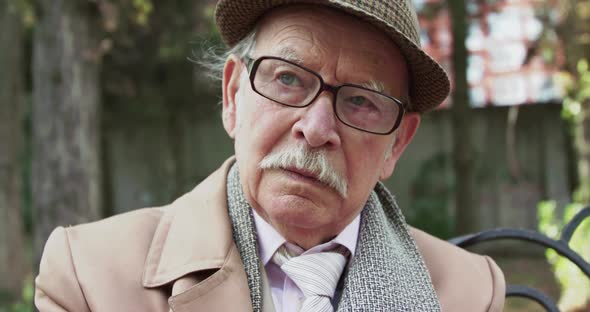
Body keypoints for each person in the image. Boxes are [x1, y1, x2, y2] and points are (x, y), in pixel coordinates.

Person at [35, 0, 505, 311]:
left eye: (361, 101)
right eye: (288, 78)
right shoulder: (90, 276)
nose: (316, 129)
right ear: (234, 95)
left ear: (397, 144)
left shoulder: (471, 292)